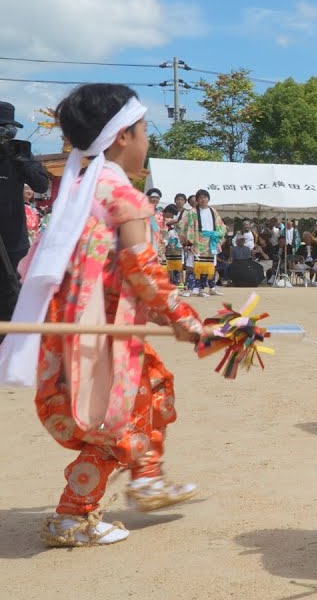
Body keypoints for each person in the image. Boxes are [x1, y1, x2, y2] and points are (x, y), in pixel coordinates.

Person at [0, 84, 203, 546]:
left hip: (77, 330)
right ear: (122, 136)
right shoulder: (121, 195)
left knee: (150, 390)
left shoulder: (79, 190)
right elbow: (143, 270)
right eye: (144, 130)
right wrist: (184, 319)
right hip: (97, 337)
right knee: (117, 421)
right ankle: (72, 515)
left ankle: (147, 478)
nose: (147, 140)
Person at [0, 101, 52, 323]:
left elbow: (41, 185)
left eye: (10, 131)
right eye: (2, 130)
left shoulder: (19, 156)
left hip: (13, 242)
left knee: (12, 298)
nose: (5, 136)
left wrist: (23, 162)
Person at [178, 189, 226, 297]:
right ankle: (190, 289)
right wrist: (188, 242)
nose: (203, 200)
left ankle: (205, 289)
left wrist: (218, 235)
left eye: (205, 197)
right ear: (197, 200)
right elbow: (184, 226)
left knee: (209, 265)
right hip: (196, 240)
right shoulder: (192, 212)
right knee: (192, 265)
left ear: (208, 198)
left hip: (211, 241)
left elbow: (220, 225)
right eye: (200, 198)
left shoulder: (213, 211)